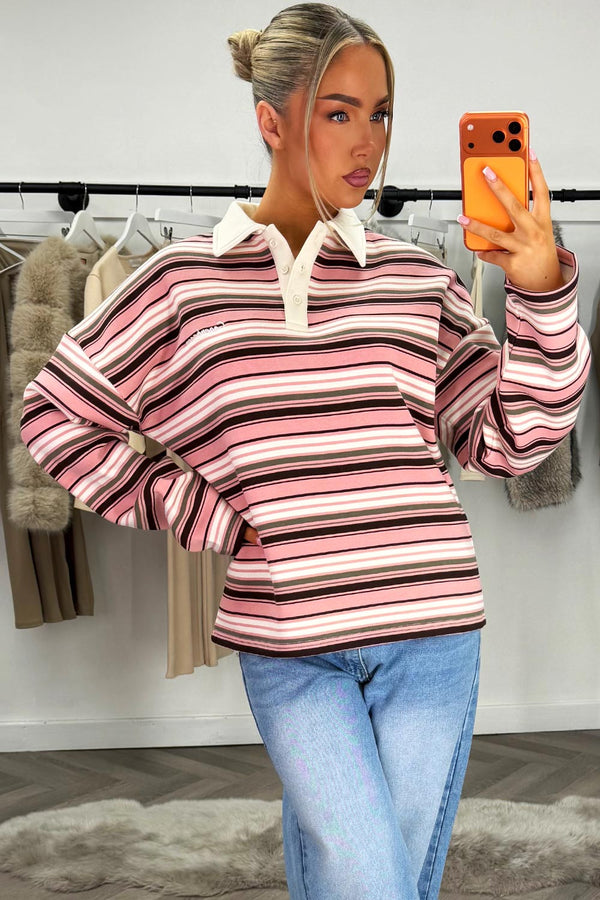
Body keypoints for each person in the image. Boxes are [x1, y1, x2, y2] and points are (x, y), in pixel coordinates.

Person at [19, 3, 590, 898]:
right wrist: (199, 511)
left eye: (382, 113)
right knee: (371, 881)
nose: (370, 141)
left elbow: (511, 439)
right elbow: (54, 415)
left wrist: (543, 293)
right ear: (272, 121)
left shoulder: (417, 279)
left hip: (432, 635)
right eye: (339, 112)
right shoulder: (179, 283)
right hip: (293, 645)